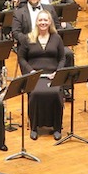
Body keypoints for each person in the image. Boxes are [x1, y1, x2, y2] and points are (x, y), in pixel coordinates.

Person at [18, 10, 66, 140]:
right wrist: (31, 72)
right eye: (41, 20)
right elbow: (21, 58)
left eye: (46, 20)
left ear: (50, 22)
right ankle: (34, 127)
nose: (43, 22)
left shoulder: (56, 38)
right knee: (35, 93)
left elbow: (62, 58)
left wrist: (57, 72)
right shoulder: (28, 38)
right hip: (35, 75)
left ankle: (56, 127)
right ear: (37, 22)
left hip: (52, 75)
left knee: (56, 93)